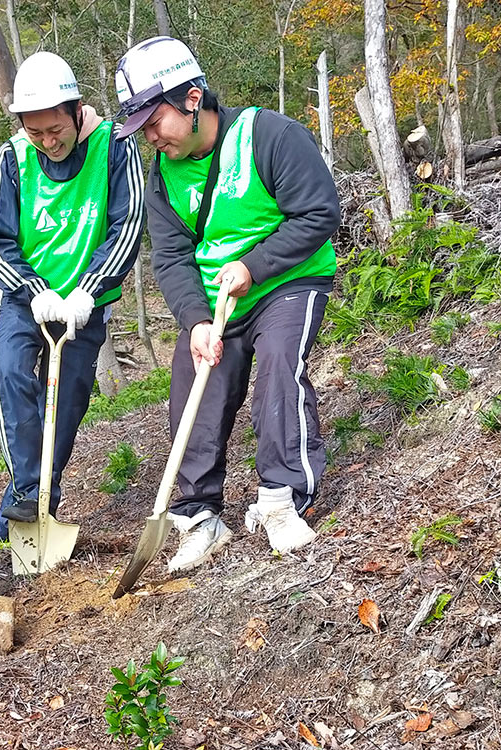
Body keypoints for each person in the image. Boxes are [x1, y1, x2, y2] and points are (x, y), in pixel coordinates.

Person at [113, 36, 340, 571]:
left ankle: (283, 500)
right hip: (217, 301)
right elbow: (171, 259)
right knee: (194, 388)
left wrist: (254, 265)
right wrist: (194, 320)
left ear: (192, 99)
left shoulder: (270, 136)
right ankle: (200, 516)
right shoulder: (162, 180)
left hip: (288, 282)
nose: (151, 138)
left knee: (280, 367)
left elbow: (318, 213)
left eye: (154, 122)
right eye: (141, 129)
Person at [0, 51, 144, 541]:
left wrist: (87, 292)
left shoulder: (114, 147)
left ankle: (40, 494)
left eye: (56, 130)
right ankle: (30, 489)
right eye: (36, 132)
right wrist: (34, 291)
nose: (48, 142)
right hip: (25, 296)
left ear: (76, 112)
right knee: (10, 373)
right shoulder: (11, 159)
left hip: (85, 301)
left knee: (68, 397)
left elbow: (127, 224)